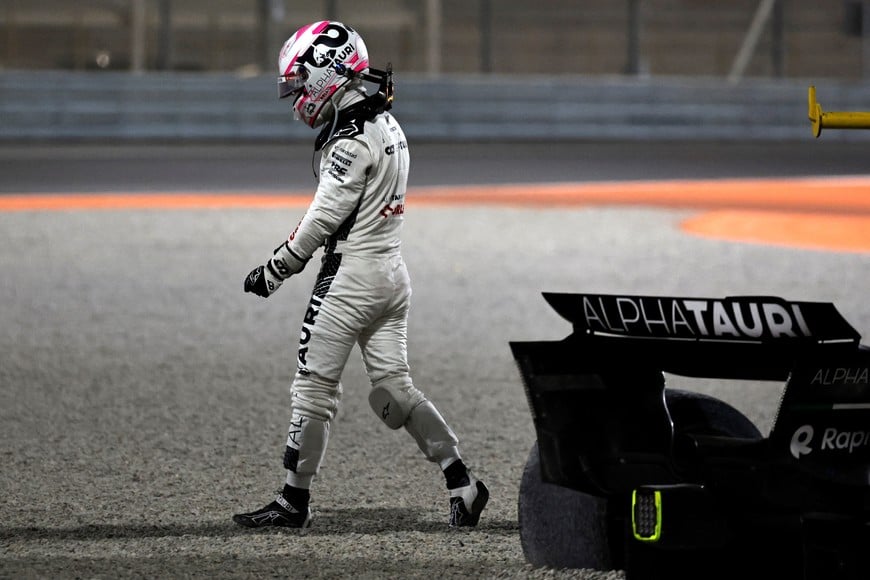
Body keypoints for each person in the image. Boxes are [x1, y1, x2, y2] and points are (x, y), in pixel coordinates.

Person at [233, 20, 488, 531]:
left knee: (313, 389)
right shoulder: (387, 124)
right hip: (393, 275)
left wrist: (275, 269)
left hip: (350, 277)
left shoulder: (349, 140)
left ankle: (292, 501)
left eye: (300, 82)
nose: (296, 96)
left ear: (326, 73)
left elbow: (322, 219)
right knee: (395, 389)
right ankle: (461, 479)